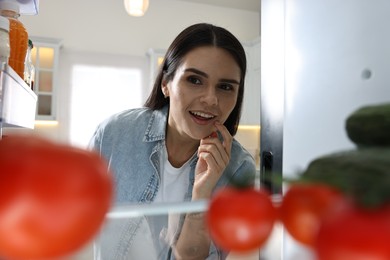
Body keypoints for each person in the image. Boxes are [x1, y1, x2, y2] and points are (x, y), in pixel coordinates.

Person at [89, 23, 256, 260]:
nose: (211, 99)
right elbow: (76, 228)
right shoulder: (113, 135)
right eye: (195, 80)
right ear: (166, 83)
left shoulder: (239, 169)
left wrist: (202, 193)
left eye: (225, 87)